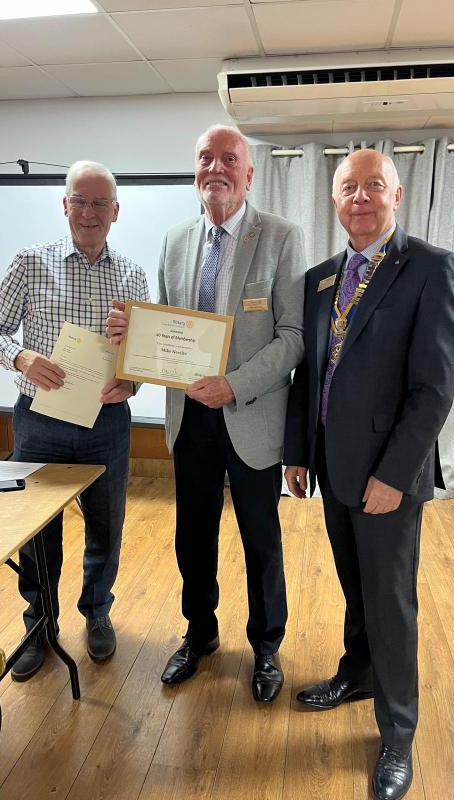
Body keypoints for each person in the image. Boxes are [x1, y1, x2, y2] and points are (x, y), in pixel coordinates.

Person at [284, 149, 454, 800]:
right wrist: (297, 450)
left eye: (373, 186)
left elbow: (434, 389)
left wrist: (394, 474)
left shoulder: (432, 269)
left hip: (388, 476)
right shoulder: (320, 279)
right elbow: (310, 373)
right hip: (332, 466)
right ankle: (356, 675)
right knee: (355, 588)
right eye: (348, 187)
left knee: (391, 605)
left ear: (397, 195)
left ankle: (397, 733)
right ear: (335, 199)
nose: (360, 197)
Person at [107, 125, 306, 702]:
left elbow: (293, 337)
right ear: (195, 169)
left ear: (249, 174)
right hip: (189, 417)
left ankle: (266, 645)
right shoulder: (174, 240)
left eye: (228, 159)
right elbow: (166, 333)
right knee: (192, 536)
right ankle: (200, 635)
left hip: (252, 416)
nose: (216, 168)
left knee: (260, 539)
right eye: (205, 158)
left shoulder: (282, 237)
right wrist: (131, 337)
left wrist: (233, 385)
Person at [0, 160, 149, 680]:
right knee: (38, 532)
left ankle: (97, 612)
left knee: (106, 526)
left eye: (100, 203)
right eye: (80, 201)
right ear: (64, 205)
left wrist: (131, 383)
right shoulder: (30, 262)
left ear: (116, 212)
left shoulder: (133, 275)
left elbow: (142, 358)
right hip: (40, 422)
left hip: (106, 425)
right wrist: (21, 357)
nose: (89, 212)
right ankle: (39, 623)